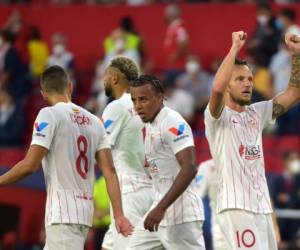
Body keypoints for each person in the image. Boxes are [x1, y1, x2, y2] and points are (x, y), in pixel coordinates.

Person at [0, 65, 133, 250]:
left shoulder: (49, 114)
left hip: (62, 212)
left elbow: (30, 165)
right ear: (70, 87)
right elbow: (109, 171)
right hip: (85, 213)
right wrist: (118, 214)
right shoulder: (95, 122)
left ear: (43, 94)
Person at [204, 31, 300, 250]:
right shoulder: (216, 117)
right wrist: (234, 48)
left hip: (263, 207)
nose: (247, 83)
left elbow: (295, 92)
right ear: (228, 83)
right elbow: (217, 89)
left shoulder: (258, 112)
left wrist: (296, 56)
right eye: (239, 79)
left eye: (249, 79)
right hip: (237, 207)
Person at [128, 74, 205, 250]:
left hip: (181, 216)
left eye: (143, 99)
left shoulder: (172, 121)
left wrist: (160, 208)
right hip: (158, 211)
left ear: (160, 97)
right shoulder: (149, 125)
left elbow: (189, 168)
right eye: (134, 101)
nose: (137, 106)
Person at [100, 57, 153, 250]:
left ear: (114, 77)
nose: (103, 79)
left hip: (129, 193)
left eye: (105, 75)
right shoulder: (150, 106)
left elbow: (100, 149)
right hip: (150, 189)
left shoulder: (116, 107)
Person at [195, 159, 226, 250]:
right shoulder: (207, 167)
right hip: (220, 232)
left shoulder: (245, 165)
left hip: (244, 228)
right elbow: (197, 195)